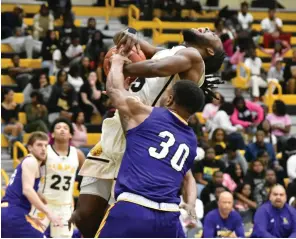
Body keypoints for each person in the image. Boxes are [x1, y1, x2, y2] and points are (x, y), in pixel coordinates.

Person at [72, 27, 225, 237]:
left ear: (208, 50)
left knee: (124, 213)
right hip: (118, 126)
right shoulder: (171, 50)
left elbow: (155, 67)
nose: (207, 28)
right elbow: (131, 41)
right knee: (83, 216)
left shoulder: (194, 58)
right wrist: (128, 36)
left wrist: (120, 67)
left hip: (142, 137)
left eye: (212, 35)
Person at [92, 54, 204, 237]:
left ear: (169, 100)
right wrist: (190, 204)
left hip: (133, 207)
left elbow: (113, 90)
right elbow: (188, 178)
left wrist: (117, 62)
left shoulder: (149, 114)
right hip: (169, 217)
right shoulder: (191, 140)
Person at [30, 118, 85, 238]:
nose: (62, 130)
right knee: (33, 235)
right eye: (58, 128)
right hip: (43, 204)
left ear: (71, 134)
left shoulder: (78, 154)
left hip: (65, 206)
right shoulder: (45, 152)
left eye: (65, 128)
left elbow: (88, 177)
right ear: (52, 134)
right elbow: (29, 172)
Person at [1, 132, 62, 238]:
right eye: (39, 145)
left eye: (45, 145)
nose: (43, 149)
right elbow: (27, 190)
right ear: (29, 147)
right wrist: (49, 213)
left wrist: (30, 217)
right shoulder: (31, 161)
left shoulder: (29, 163)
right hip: (12, 214)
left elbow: (19, 190)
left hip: (9, 213)